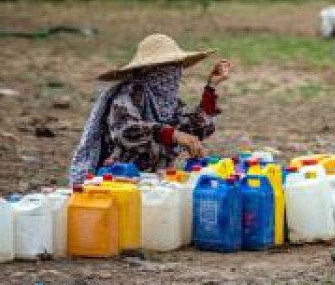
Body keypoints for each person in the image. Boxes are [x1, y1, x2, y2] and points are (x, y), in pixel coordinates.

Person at [69, 33, 233, 185]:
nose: (173, 75)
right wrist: (174, 135)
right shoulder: (128, 95)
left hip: (154, 179)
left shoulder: (169, 103)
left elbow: (194, 129)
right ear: (149, 70)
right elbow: (126, 130)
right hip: (119, 178)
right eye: (167, 68)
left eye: (177, 67)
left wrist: (210, 88)